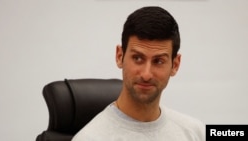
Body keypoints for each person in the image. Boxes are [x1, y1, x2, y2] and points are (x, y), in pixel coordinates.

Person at [72, 6, 205, 141]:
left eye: (158, 61)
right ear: (119, 56)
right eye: (138, 58)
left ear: (175, 65)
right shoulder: (88, 138)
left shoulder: (195, 133)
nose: (146, 74)